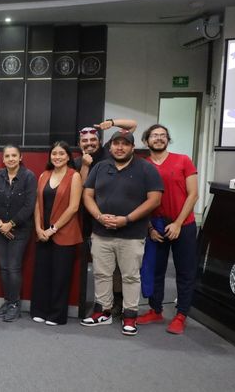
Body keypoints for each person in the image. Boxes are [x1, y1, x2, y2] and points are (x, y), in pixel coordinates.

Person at [81, 130, 163, 336]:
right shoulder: (100, 167)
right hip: (101, 232)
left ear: (132, 148)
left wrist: (126, 219)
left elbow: (154, 200)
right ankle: (103, 312)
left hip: (132, 234)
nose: (120, 147)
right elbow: (88, 195)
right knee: (101, 274)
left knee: (130, 277)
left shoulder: (146, 169)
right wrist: (99, 217)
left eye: (125, 144)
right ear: (110, 147)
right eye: (116, 144)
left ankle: (130, 316)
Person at [137, 124, 199, 335]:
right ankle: (155, 309)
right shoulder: (142, 165)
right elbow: (140, 200)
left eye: (163, 135)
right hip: (156, 225)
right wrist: (149, 228)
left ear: (167, 140)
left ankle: (181, 315)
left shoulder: (183, 160)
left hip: (184, 224)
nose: (159, 138)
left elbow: (193, 195)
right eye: (154, 135)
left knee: (185, 271)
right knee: (155, 270)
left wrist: (179, 223)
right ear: (146, 141)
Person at [74, 118, 137, 317]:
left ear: (100, 142)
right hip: (87, 219)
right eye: (85, 141)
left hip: (115, 221)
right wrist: (84, 165)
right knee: (97, 267)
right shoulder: (76, 161)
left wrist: (111, 122)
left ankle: (119, 303)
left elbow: (131, 127)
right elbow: (81, 190)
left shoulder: (109, 153)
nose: (89, 144)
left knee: (119, 267)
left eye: (93, 140)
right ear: (79, 144)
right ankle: (98, 304)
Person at [30, 142, 83, 326]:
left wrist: (52, 229)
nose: (57, 157)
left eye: (61, 153)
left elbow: (74, 207)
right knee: (42, 274)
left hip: (64, 233)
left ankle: (56, 315)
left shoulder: (74, 176)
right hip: (42, 233)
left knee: (60, 275)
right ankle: (39, 310)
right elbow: (37, 204)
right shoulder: (44, 175)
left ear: (68, 156)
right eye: (54, 153)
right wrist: (38, 228)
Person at [0, 145, 36, 322]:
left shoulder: (28, 177)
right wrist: (0, 223)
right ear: (3, 159)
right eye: (7, 156)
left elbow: (29, 206)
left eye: (14, 155)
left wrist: (11, 224)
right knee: (4, 267)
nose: (11, 159)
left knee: (14, 268)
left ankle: (15, 304)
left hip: (20, 230)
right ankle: (7, 301)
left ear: (20, 157)